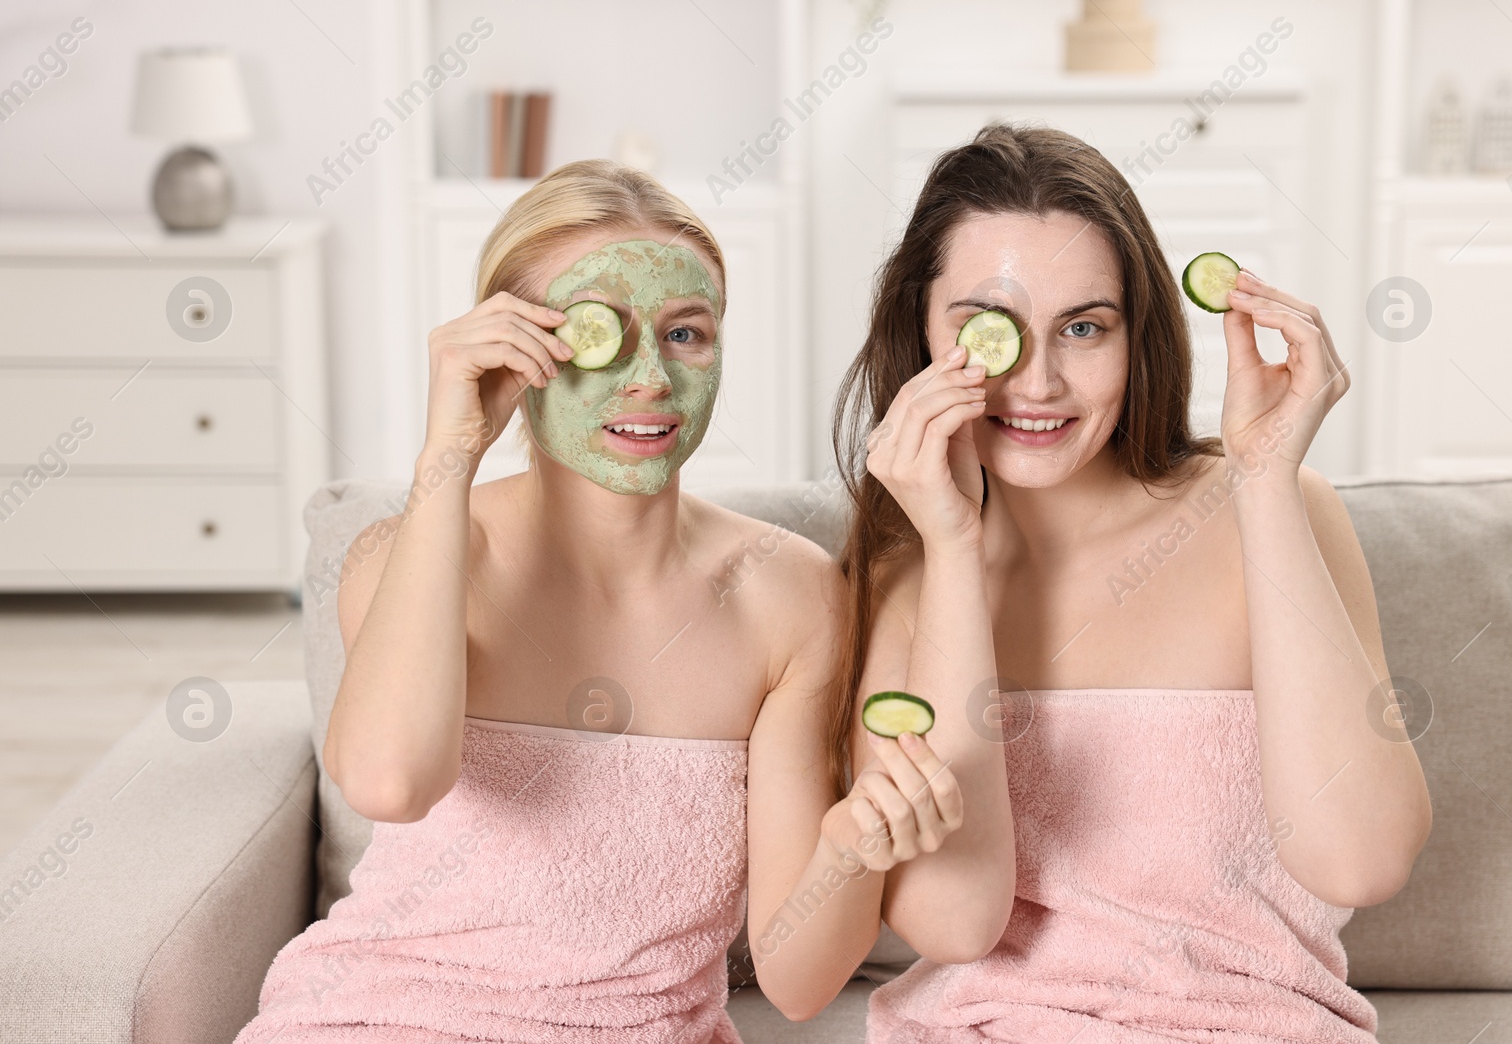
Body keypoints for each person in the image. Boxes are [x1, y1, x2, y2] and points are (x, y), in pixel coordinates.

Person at [233, 159, 880, 1043]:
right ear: (518, 348)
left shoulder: (791, 592)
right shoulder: (408, 553)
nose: (651, 376)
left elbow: (800, 983)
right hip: (383, 1018)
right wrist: (448, 455)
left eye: (686, 333)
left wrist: (852, 847)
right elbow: (389, 779)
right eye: (598, 332)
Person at [828, 123, 1432, 1042]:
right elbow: (954, 924)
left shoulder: (1275, 506)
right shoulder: (902, 573)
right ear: (920, 328)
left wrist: (1263, 480)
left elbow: (1362, 859)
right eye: (989, 328)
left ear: (1135, 332)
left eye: (1082, 327)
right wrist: (952, 550)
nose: (1037, 381)